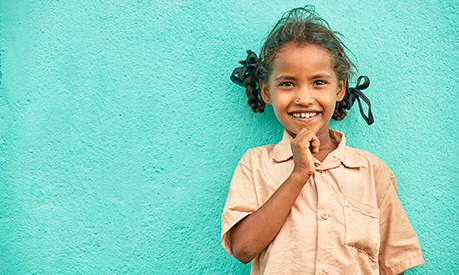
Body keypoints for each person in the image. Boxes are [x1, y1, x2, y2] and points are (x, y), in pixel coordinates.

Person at [221, 6, 425, 275]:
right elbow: (244, 248)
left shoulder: (371, 171)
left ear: (339, 89)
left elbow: (394, 264)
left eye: (318, 82)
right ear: (265, 91)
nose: (304, 98)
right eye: (287, 83)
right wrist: (299, 174)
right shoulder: (255, 164)